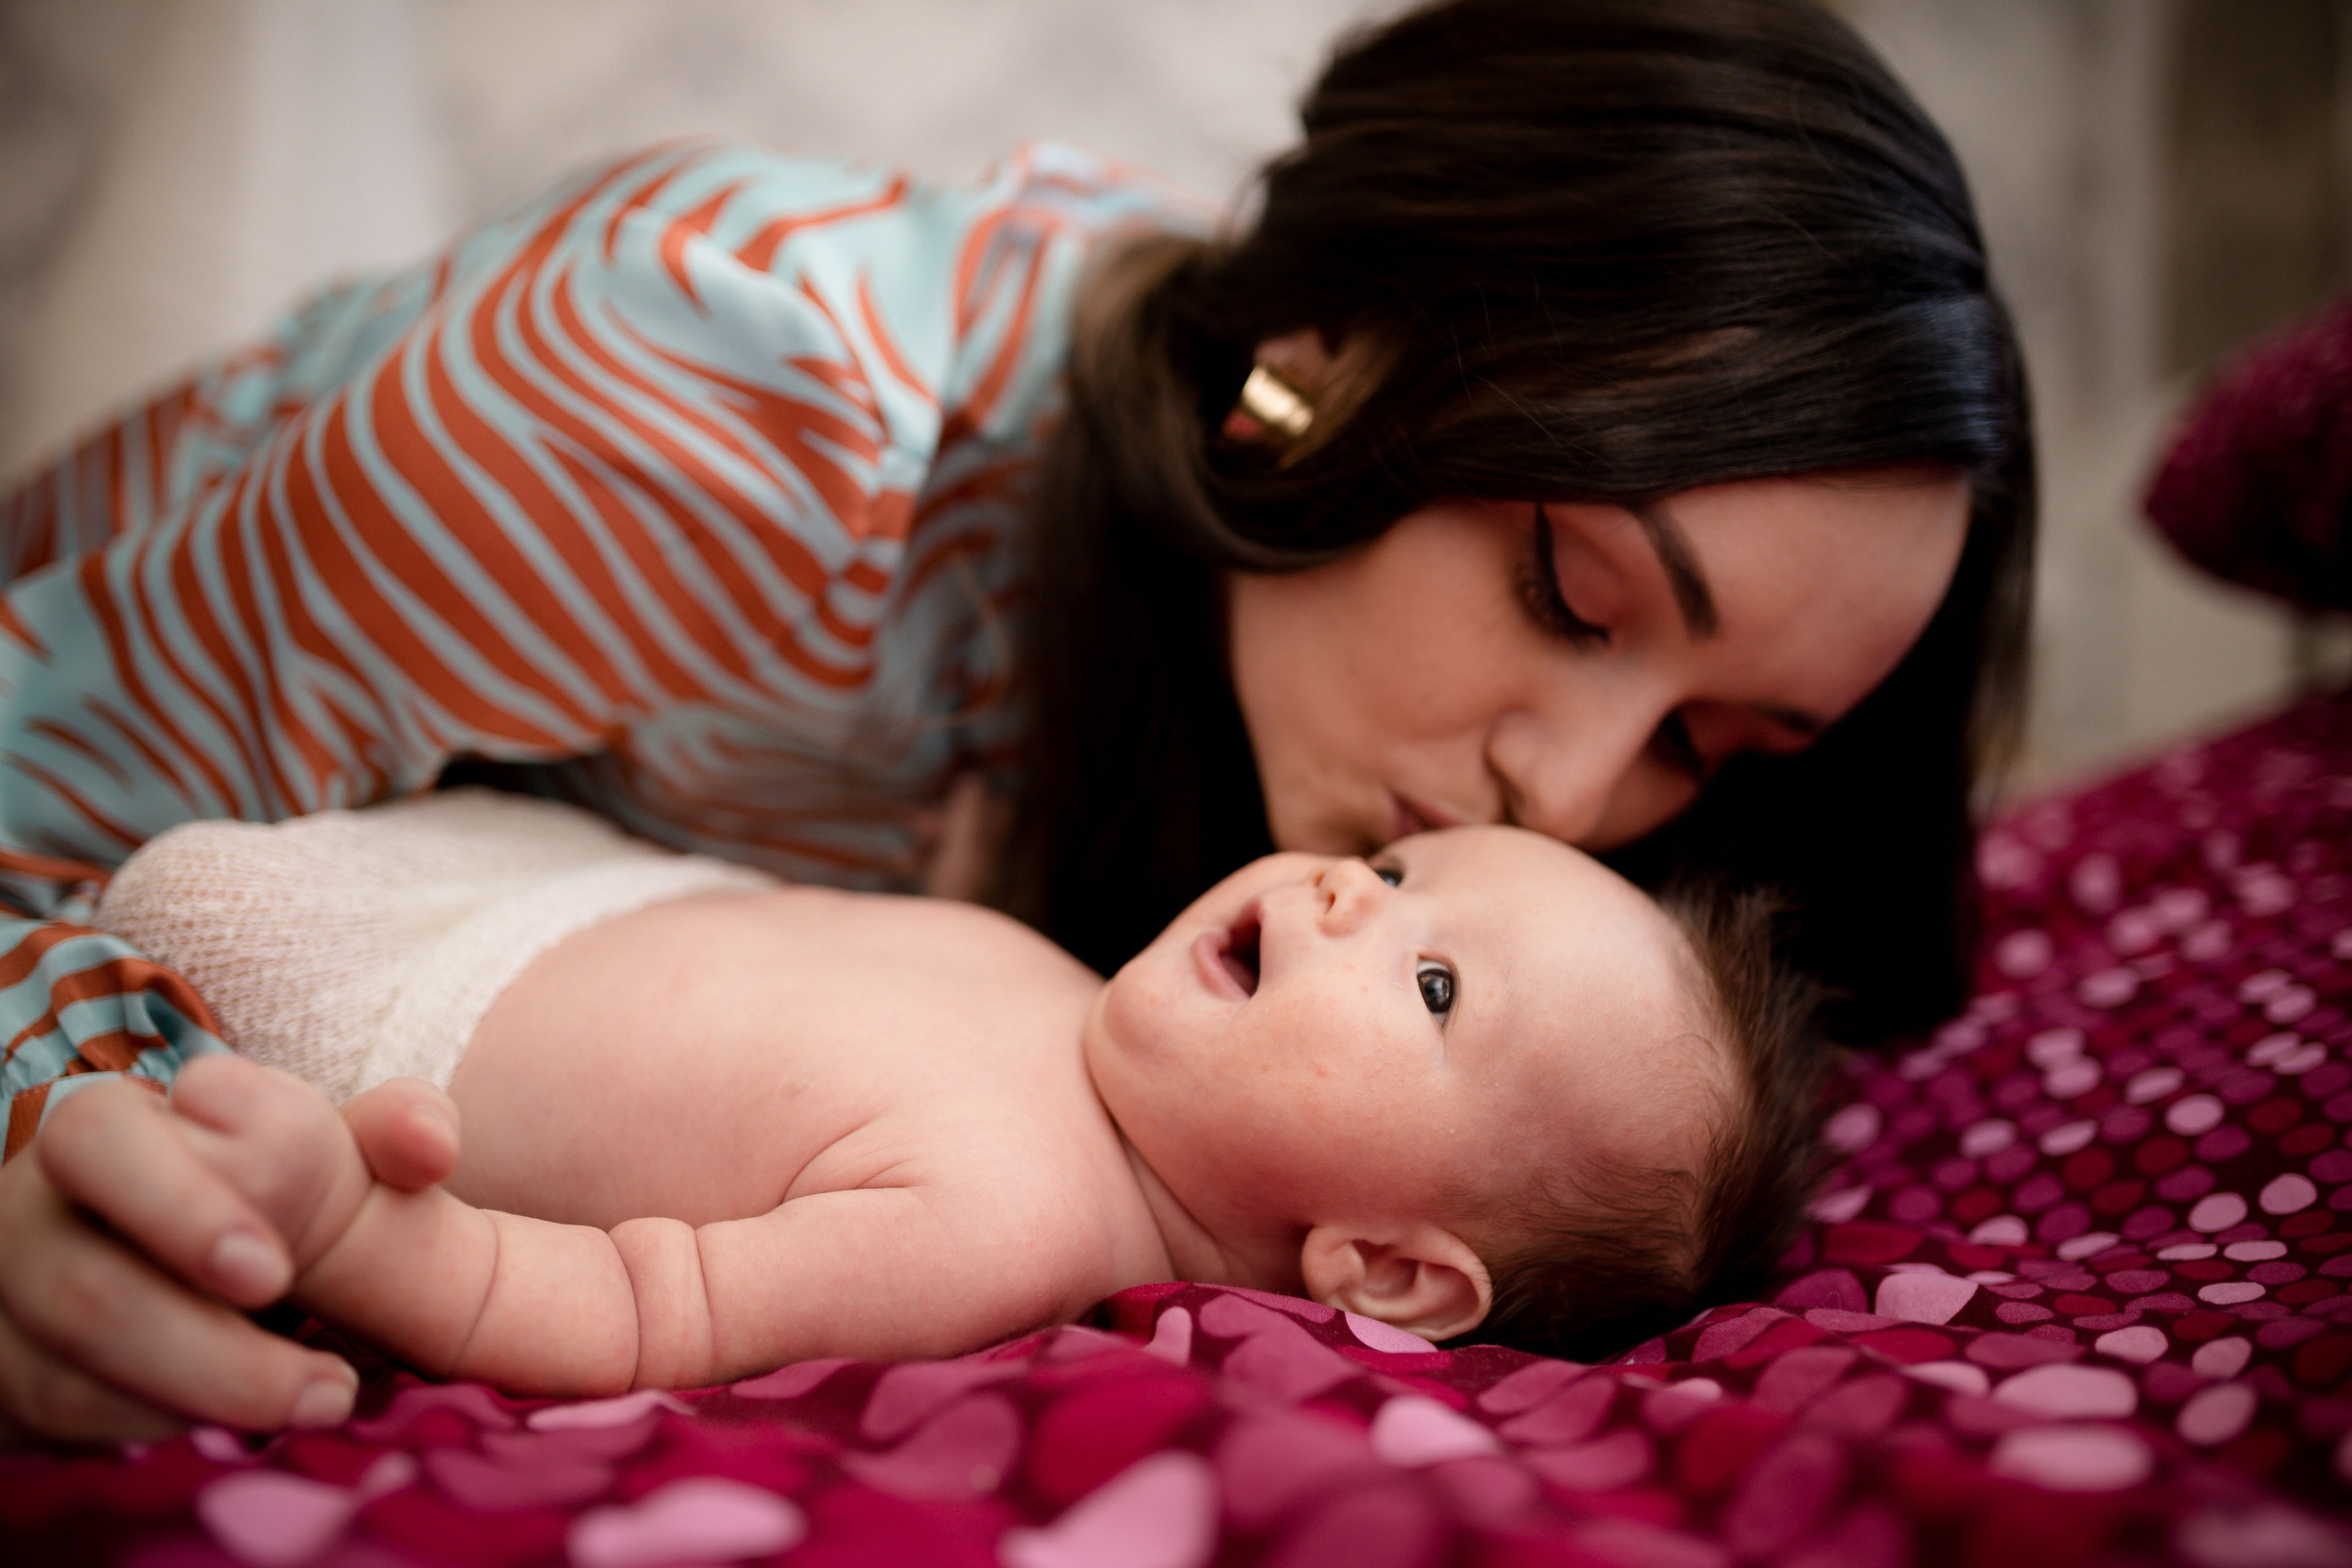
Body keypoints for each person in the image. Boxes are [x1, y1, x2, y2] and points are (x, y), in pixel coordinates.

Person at [0, 0, 2030, 1441]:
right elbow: (34, 787)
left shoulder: (1307, 939)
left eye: (1711, 749)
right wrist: (65, 1142)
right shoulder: (693, 408)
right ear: (1323, 352)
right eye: (1566, 593)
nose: (1572, 800)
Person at [96, 789, 1822, 1385]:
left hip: (366, 1020)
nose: (1346, 893)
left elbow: (643, 1310)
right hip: (526, 872)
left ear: (1384, 1269)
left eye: (1433, 982)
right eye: (1395, 865)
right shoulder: (1090, 1007)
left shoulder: (1008, 1222)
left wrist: (352, 1227)